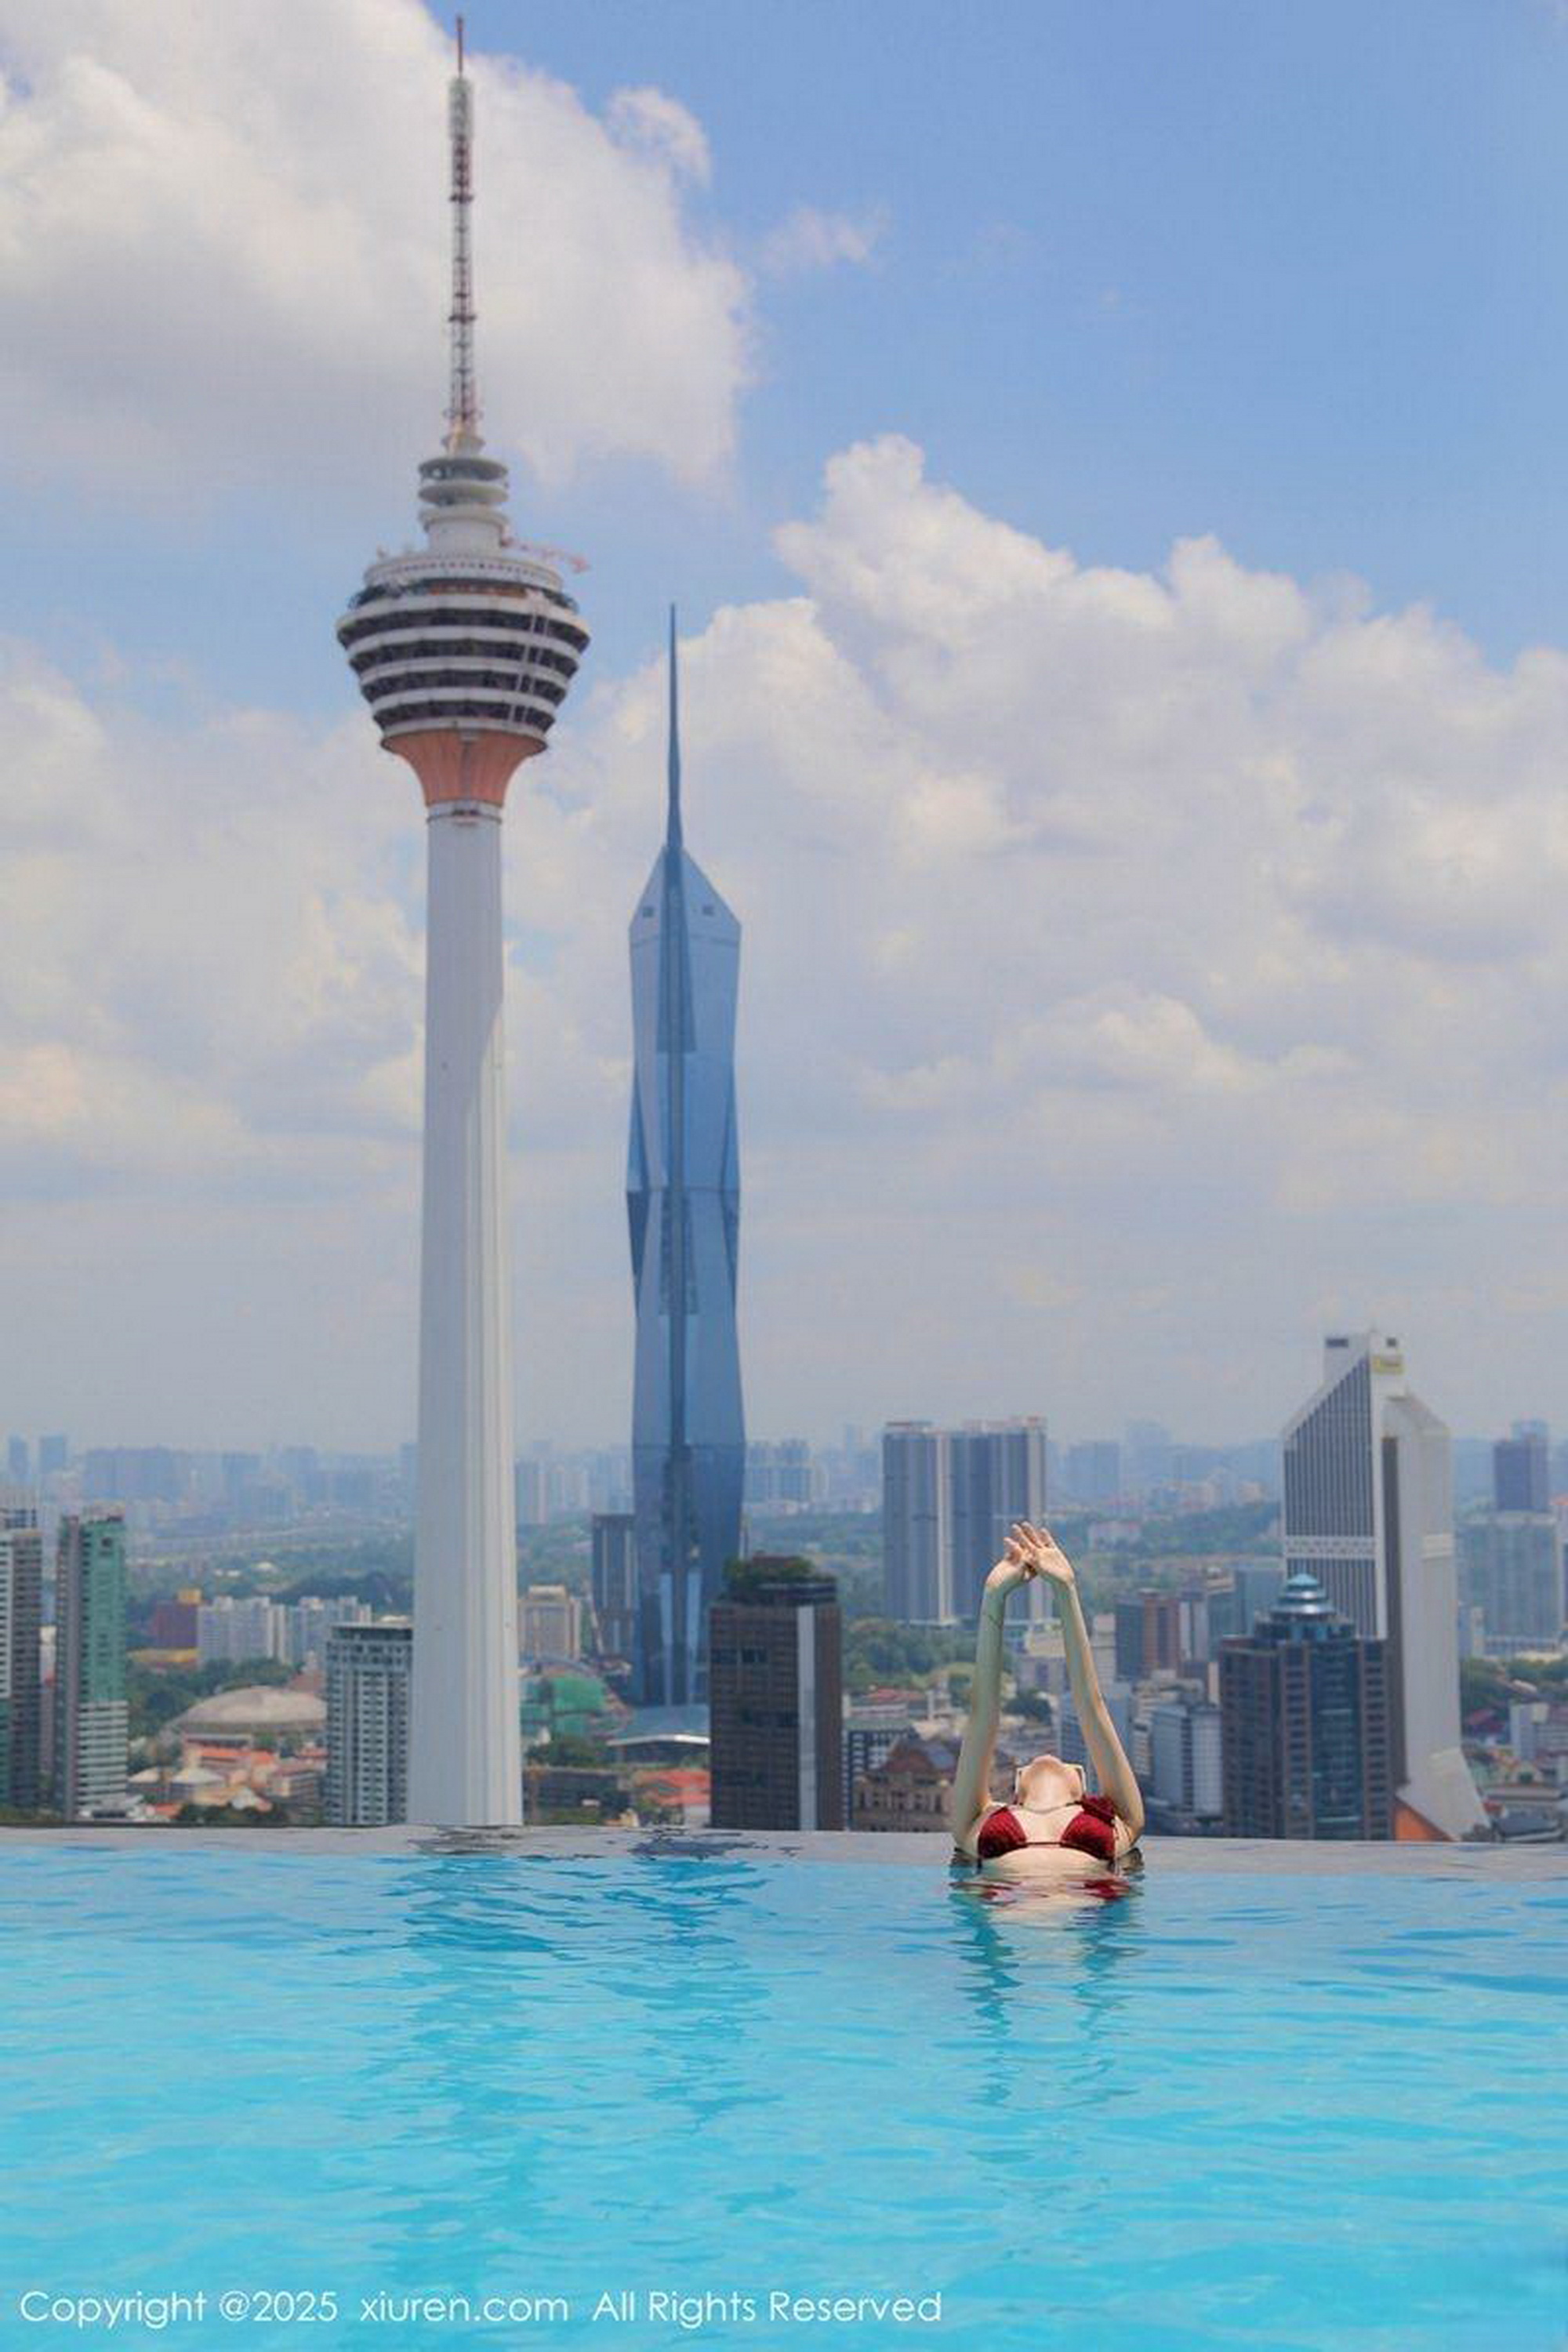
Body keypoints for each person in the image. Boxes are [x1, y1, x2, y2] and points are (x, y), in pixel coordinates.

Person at [949, 1520, 1144, 1880]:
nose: (1049, 1756)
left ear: (1018, 1785)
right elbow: (982, 1715)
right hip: (1032, 1910)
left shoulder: (978, 1822)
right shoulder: (1118, 1821)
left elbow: (1091, 1706)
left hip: (1052, 1911)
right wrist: (994, 1596)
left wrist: (1066, 1589)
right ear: (1080, 1780)